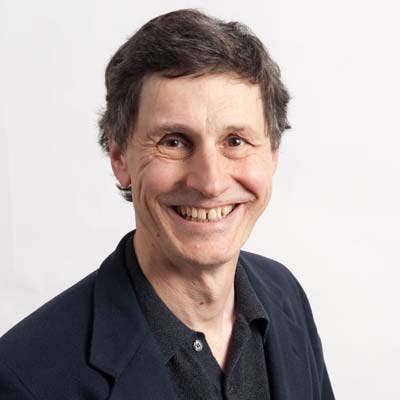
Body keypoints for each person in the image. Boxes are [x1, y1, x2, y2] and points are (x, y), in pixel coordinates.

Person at [0, 9, 334, 400]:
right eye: (173, 142)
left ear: (273, 154)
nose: (210, 182)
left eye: (235, 141)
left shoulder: (285, 295)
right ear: (120, 158)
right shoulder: (25, 379)